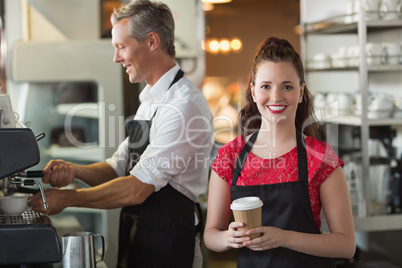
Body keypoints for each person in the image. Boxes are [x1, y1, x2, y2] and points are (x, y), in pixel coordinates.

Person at [28, 1, 213, 267]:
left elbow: (137, 188)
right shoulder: (150, 100)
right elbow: (118, 168)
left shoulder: (183, 105)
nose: (116, 58)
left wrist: (68, 198)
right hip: (141, 237)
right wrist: (74, 171)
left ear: (151, 41)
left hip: (171, 244)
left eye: (121, 47)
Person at [203, 36, 356, 267]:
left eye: (287, 87)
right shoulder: (230, 156)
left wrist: (285, 238)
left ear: (301, 92)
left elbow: (346, 245)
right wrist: (227, 237)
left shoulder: (321, 157)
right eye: (266, 86)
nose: (276, 97)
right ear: (253, 92)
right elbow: (210, 236)